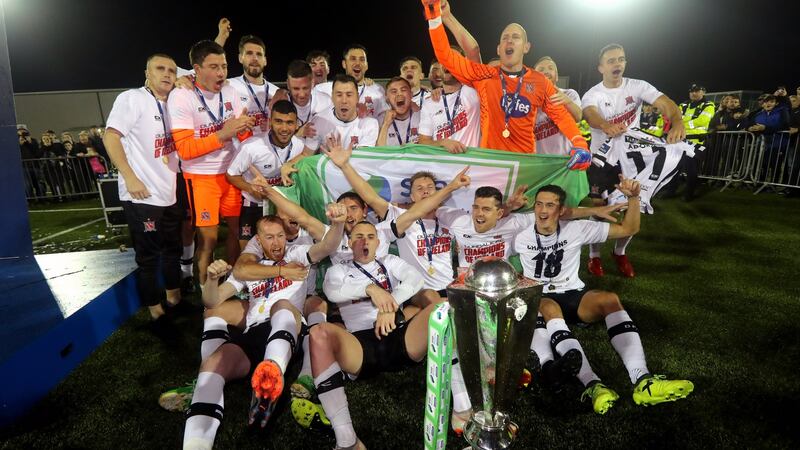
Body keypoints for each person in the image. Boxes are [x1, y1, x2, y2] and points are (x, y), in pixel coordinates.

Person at [514, 183, 694, 414]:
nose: (542, 210)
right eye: (539, 204)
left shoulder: (576, 229)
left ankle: (643, 380)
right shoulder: (520, 233)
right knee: (548, 305)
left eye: (550, 205)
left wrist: (634, 198)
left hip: (573, 293)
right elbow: (492, 239)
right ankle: (593, 385)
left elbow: (629, 228)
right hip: (541, 298)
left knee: (609, 299)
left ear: (561, 211)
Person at [182, 204, 347, 450]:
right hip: (254, 332)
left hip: (288, 330)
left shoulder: (297, 255)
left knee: (281, 305)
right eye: (269, 237)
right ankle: (195, 445)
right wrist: (212, 281)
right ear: (259, 240)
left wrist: (337, 224)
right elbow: (211, 301)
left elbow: (327, 246)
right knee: (212, 367)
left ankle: (272, 373)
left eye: (280, 235)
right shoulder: (250, 270)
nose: (277, 242)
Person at [310, 219, 432, 450]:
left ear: (378, 242)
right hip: (360, 345)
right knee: (318, 333)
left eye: (369, 236)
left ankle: (463, 409)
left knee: (444, 308)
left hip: (399, 335)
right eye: (358, 237)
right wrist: (370, 289)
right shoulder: (338, 270)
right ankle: (347, 439)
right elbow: (332, 293)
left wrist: (390, 304)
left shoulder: (390, 261)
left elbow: (416, 280)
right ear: (349, 243)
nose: (364, 241)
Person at [419, 0, 589, 161]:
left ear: (526, 47)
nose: (509, 40)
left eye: (515, 37)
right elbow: (446, 56)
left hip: (525, 163)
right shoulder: (484, 75)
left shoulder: (540, 81)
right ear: (499, 49)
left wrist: (580, 145)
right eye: (505, 37)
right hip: (492, 162)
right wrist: (434, 18)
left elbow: (561, 116)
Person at [581, 43, 686, 278]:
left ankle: (620, 253)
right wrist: (606, 125)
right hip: (601, 161)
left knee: (631, 207)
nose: (617, 64)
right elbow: (590, 113)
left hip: (630, 159)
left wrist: (677, 121)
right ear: (601, 68)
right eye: (611, 61)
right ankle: (594, 257)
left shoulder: (638, 86)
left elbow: (665, 102)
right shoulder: (594, 93)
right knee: (600, 210)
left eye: (621, 59)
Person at [103, 54, 186, 322]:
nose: (167, 74)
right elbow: (111, 136)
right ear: (146, 73)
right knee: (149, 256)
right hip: (141, 194)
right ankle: (156, 311)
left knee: (173, 250)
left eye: (172, 70)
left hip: (169, 191)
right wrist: (129, 176)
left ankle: (175, 300)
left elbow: (201, 66)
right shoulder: (132, 98)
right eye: (160, 69)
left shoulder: (174, 102)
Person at [168, 40, 255, 285]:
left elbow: (241, 132)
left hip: (231, 174)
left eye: (224, 66)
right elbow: (185, 150)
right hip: (201, 177)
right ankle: (207, 293)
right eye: (214, 66)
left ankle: (234, 284)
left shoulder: (229, 91)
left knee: (237, 234)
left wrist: (245, 129)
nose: (221, 72)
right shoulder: (181, 96)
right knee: (208, 240)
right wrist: (223, 134)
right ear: (196, 69)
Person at [225, 100, 306, 248]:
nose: (284, 128)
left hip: (284, 207)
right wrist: (250, 188)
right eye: (278, 122)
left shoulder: (301, 147)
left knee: (284, 250)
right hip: (255, 205)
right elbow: (231, 174)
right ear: (270, 122)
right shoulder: (251, 146)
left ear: (296, 124)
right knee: (248, 251)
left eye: (289, 123)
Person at [282, 74, 379, 186]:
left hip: (356, 182)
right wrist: (288, 164)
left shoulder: (370, 124)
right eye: (339, 95)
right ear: (332, 97)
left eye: (349, 95)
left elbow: (362, 162)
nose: (344, 100)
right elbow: (306, 154)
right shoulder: (319, 121)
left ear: (357, 97)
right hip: (327, 183)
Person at [418, 54, 481, 153]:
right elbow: (423, 142)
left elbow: (474, 51)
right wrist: (443, 143)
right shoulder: (429, 102)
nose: (447, 65)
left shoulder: (472, 91)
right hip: (441, 165)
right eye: (443, 63)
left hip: (470, 163)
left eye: (452, 62)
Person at [227, 35, 281, 137]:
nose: (255, 58)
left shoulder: (276, 91)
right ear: (240, 58)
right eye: (249, 53)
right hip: (240, 150)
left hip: (269, 149)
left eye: (259, 54)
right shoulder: (228, 85)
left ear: (265, 61)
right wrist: (187, 79)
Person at [314, 45, 386, 120]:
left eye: (362, 59)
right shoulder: (323, 89)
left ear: (366, 65)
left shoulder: (377, 91)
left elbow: (384, 120)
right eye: (353, 59)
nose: (357, 63)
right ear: (344, 64)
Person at [532, 56, 583, 155]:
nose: (546, 71)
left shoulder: (569, 94)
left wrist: (567, 102)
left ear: (557, 76)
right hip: (539, 162)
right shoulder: (528, 103)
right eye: (541, 70)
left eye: (550, 68)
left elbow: (578, 117)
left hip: (566, 161)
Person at [377, 77, 420, 146]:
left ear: (411, 94)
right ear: (387, 97)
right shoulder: (379, 120)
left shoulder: (422, 117)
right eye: (394, 91)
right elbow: (379, 152)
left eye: (403, 90)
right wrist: (385, 125)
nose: (399, 94)